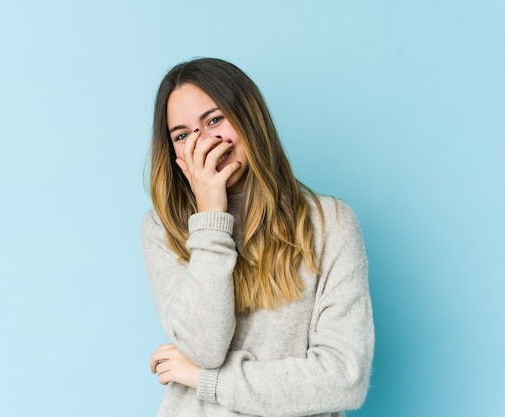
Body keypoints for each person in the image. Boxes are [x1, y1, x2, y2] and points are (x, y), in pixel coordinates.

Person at [141, 57, 374, 417]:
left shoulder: (330, 224)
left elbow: (344, 378)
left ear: (249, 120)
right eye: (183, 135)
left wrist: (205, 380)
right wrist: (211, 218)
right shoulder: (164, 228)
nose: (202, 142)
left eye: (214, 120)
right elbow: (205, 347)